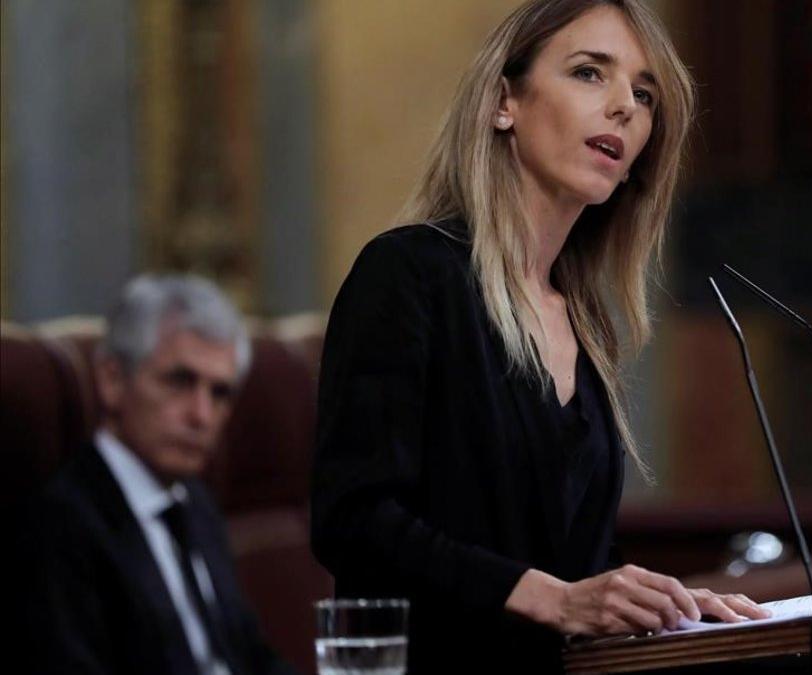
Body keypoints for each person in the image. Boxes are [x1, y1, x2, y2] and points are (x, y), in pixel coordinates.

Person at [310, 0, 770, 672]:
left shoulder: (582, 321)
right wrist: (552, 598)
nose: (624, 107)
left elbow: (567, 566)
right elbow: (354, 521)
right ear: (504, 102)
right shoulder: (409, 274)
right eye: (591, 73)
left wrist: (659, 605)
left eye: (644, 94)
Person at [28, 275, 296, 675]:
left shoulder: (195, 504)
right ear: (112, 380)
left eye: (220, 393)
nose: (201, 416)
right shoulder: (59, 525)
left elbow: (250, 655)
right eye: (180, 381)